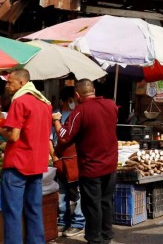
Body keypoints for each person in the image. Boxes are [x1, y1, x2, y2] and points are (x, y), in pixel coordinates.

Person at [54, 79, 118, 244]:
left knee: (92, 205)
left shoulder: (80, 111)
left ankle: (95, 238)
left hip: (91, 167)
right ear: (94, 90)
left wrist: (56, 120)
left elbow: (64, 137)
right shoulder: (111, 105)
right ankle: (106, 235)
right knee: (105, 202)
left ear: (77, 95)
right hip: (110, 164)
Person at [0, 68, 52, 244]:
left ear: (21, 83)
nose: (7, 85)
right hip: (36, 164)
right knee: (34, 210)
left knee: (13, 212)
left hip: (17, 164)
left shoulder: (20, 101)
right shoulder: (45, 103)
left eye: (10, 82)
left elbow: (13, 136)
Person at [51, 86, 85, 237]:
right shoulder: (55, 116)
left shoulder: (78, 115)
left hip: (76, 158)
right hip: (61, 158)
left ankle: (78, 223)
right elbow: (50, 139)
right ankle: (62, 221)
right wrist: (55, 158)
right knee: (62, 191)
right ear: (70, 99)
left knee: (78, 192)